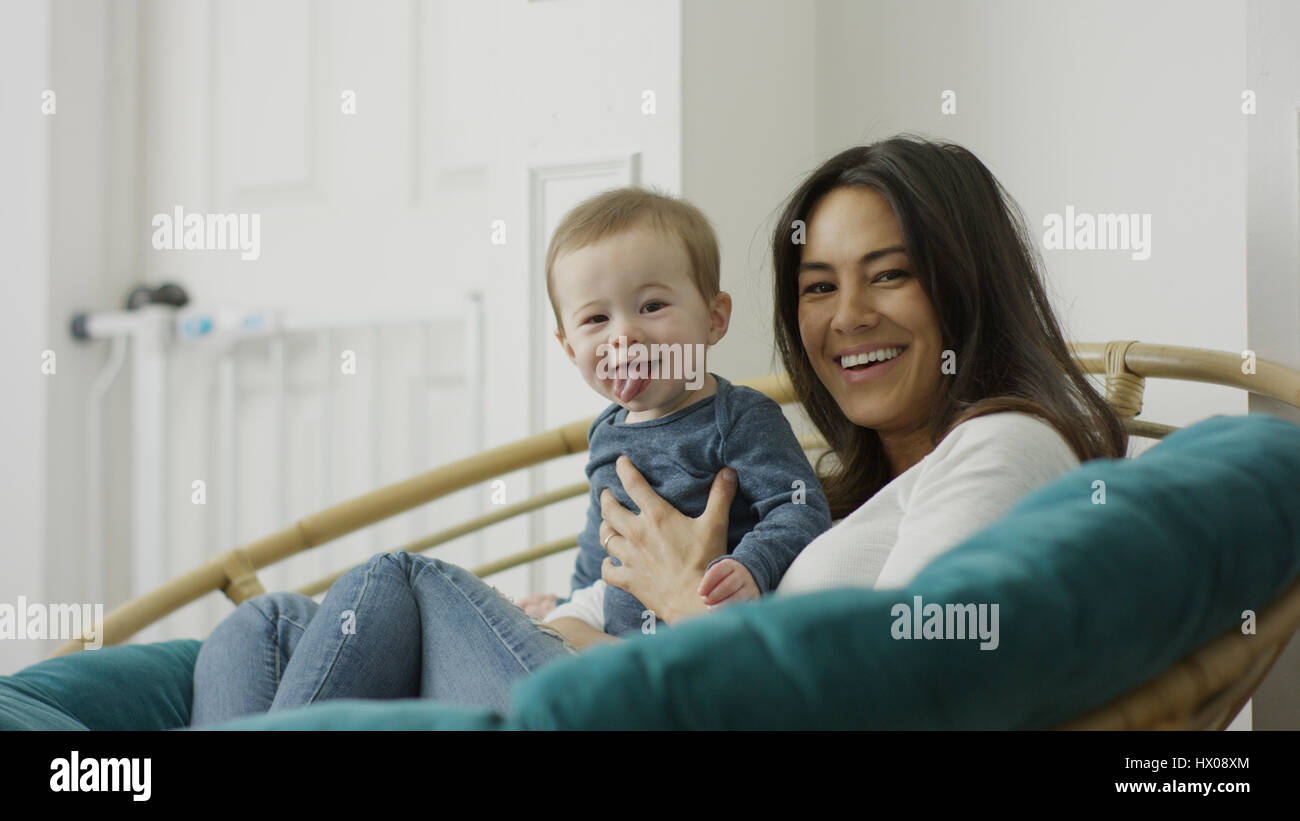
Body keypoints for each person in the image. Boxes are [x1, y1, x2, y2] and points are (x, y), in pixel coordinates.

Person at [189, 135, 1127, 727]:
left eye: (889, 274)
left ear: (967, 280)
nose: (847, 316)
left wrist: (692, 602)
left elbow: (903, 693)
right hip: (621, 673)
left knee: (396, 580)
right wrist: (569, 616)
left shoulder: (1005, 443)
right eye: (817, 285)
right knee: (259, 626)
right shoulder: (854, 489)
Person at [538, 187, 831, 641]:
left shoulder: (739, 418)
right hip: (614, 636)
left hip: (703, 638)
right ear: (569, 347)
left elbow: (800, 508)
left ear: (714, 318)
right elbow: (601, 542)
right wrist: (568, 602)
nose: (624, 337)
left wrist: (751, 564)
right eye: (596, 320)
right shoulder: (605, 432)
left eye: (652, 307)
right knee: (531, 621)